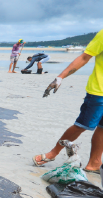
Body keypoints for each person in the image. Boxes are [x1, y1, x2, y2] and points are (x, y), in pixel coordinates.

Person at [35, 28, 103, 173]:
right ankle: (53, 153)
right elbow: (84, 57)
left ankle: (94, 163)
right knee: (81, 125)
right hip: (99, 92)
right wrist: (60, 77)